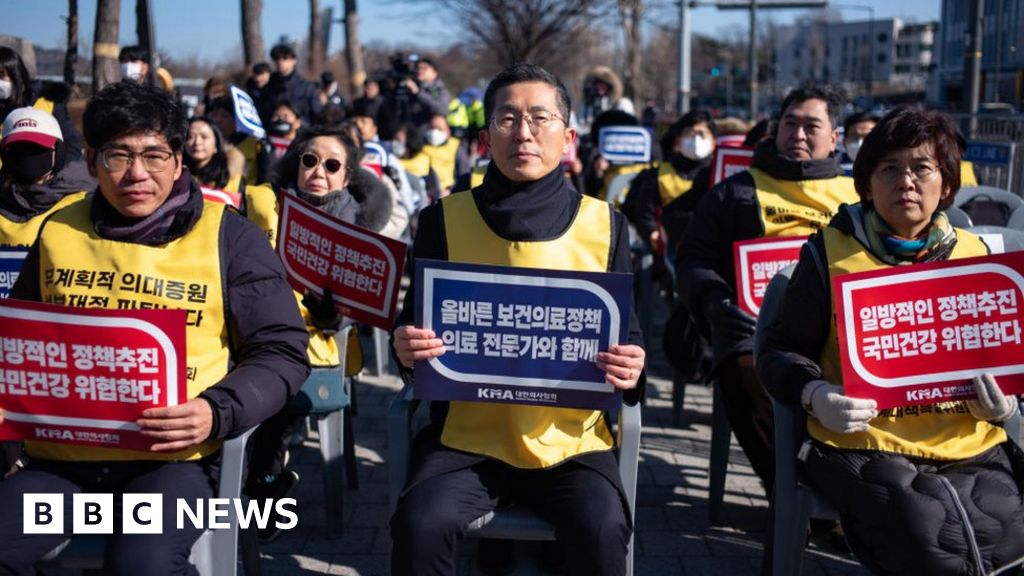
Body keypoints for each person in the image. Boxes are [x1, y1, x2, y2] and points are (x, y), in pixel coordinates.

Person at [0, 80, 309, 575]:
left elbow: (284, 352)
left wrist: (216, 410)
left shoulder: (230, 236)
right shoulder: (57, 229)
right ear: (94, 158)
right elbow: (18, 341)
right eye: (118, 156)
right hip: (62, 460)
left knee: (141, 565)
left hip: (175, 463)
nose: (136, 174)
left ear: (179, 160)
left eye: (154, 155)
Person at [389, 63, 646, 576]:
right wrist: (405, 348)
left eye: (539, 118)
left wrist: (633, 366)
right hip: (467, 440)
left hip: (571, 442)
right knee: (421, 524)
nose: (523, 133)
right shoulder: (442, 219)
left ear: (568, 136)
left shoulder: (606, 225)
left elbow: (630, 336)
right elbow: (414, 326)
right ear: (485, 137)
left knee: (601, 529)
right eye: (507, 119)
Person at [757, 106, 1024, 576]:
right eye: (890, 169)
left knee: (1007, 522)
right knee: (925, 531)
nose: (907, 182)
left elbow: (1006, 352)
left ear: (946, 183)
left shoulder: (975, 256)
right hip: (864, 442)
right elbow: (778, 353)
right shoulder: (828, 253)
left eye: (922, 168)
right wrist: (814, 394)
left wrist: (1006, 405)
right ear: (866, 182)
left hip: (969, 439)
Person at [678, 85, 860, 493]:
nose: (797, 134)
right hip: (752, 333)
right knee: (746, 375)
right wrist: (714, 302)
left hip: (840, 336)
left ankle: (850, 491)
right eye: (789, 124)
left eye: (811, 126)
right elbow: (693, 260)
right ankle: (794, 495)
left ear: (834, 138)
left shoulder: (859, 199)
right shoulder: (734, 190)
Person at [0, 108, 93, 475]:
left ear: (56, 151)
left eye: (35, 148)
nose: (26, 158)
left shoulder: (84, 207)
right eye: (17, 149)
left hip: (57, 352)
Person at [0, 46, 83, 162]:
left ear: (16, 74)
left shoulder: (47, 103)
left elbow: (72, 148)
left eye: (2, 74)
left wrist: (53, 175)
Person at [257, 43, 321, 125]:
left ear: (294, 61)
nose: (280, 62)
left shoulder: (307, 88)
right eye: (277, 58)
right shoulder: (268, 88)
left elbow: (317, 116)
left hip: (301, 134)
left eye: (285, 58)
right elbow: (262, 115)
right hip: (273, 134)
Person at [420, 114, 467, 197]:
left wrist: (451, 191)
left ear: (447, 131)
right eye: (432, 128)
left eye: (439, 129)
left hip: (450, 195)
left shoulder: (456, 148)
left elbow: (463, 177)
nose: (434, 132)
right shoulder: (420, 147)